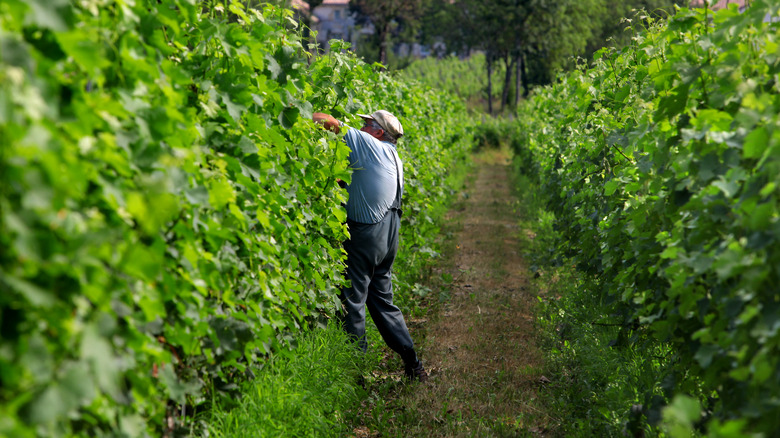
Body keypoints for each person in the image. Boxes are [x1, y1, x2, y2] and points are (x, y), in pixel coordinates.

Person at [312, 110, 428, 382]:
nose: (361, 127)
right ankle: (413, 363)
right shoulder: (394, 157)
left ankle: (355, 373)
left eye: (366, 124)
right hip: (389, 236)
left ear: (378, 131)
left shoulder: (370, 146)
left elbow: (324, 120)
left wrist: (298, 112)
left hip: (367, 234)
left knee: (353, 301)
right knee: (383, 302)